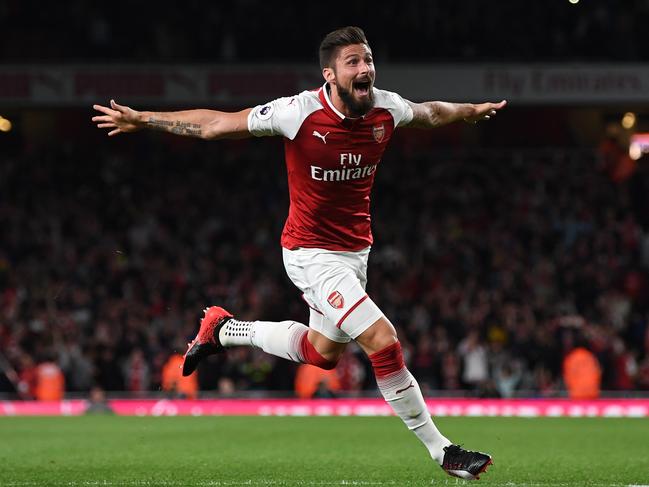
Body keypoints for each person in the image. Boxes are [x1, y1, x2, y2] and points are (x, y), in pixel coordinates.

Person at [92, 26, 505, 480]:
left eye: (368, 60)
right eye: (353, 62)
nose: (365, 69)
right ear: (329, 74)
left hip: (355, 254)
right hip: (310, 252)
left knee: (323, 352)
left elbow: (430, 113)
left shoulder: (387, 106)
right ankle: (442, 450)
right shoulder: (298, 112)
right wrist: (145, 119)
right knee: (383, 341)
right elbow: (217, 125)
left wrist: (469, 111)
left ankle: (224, 330)